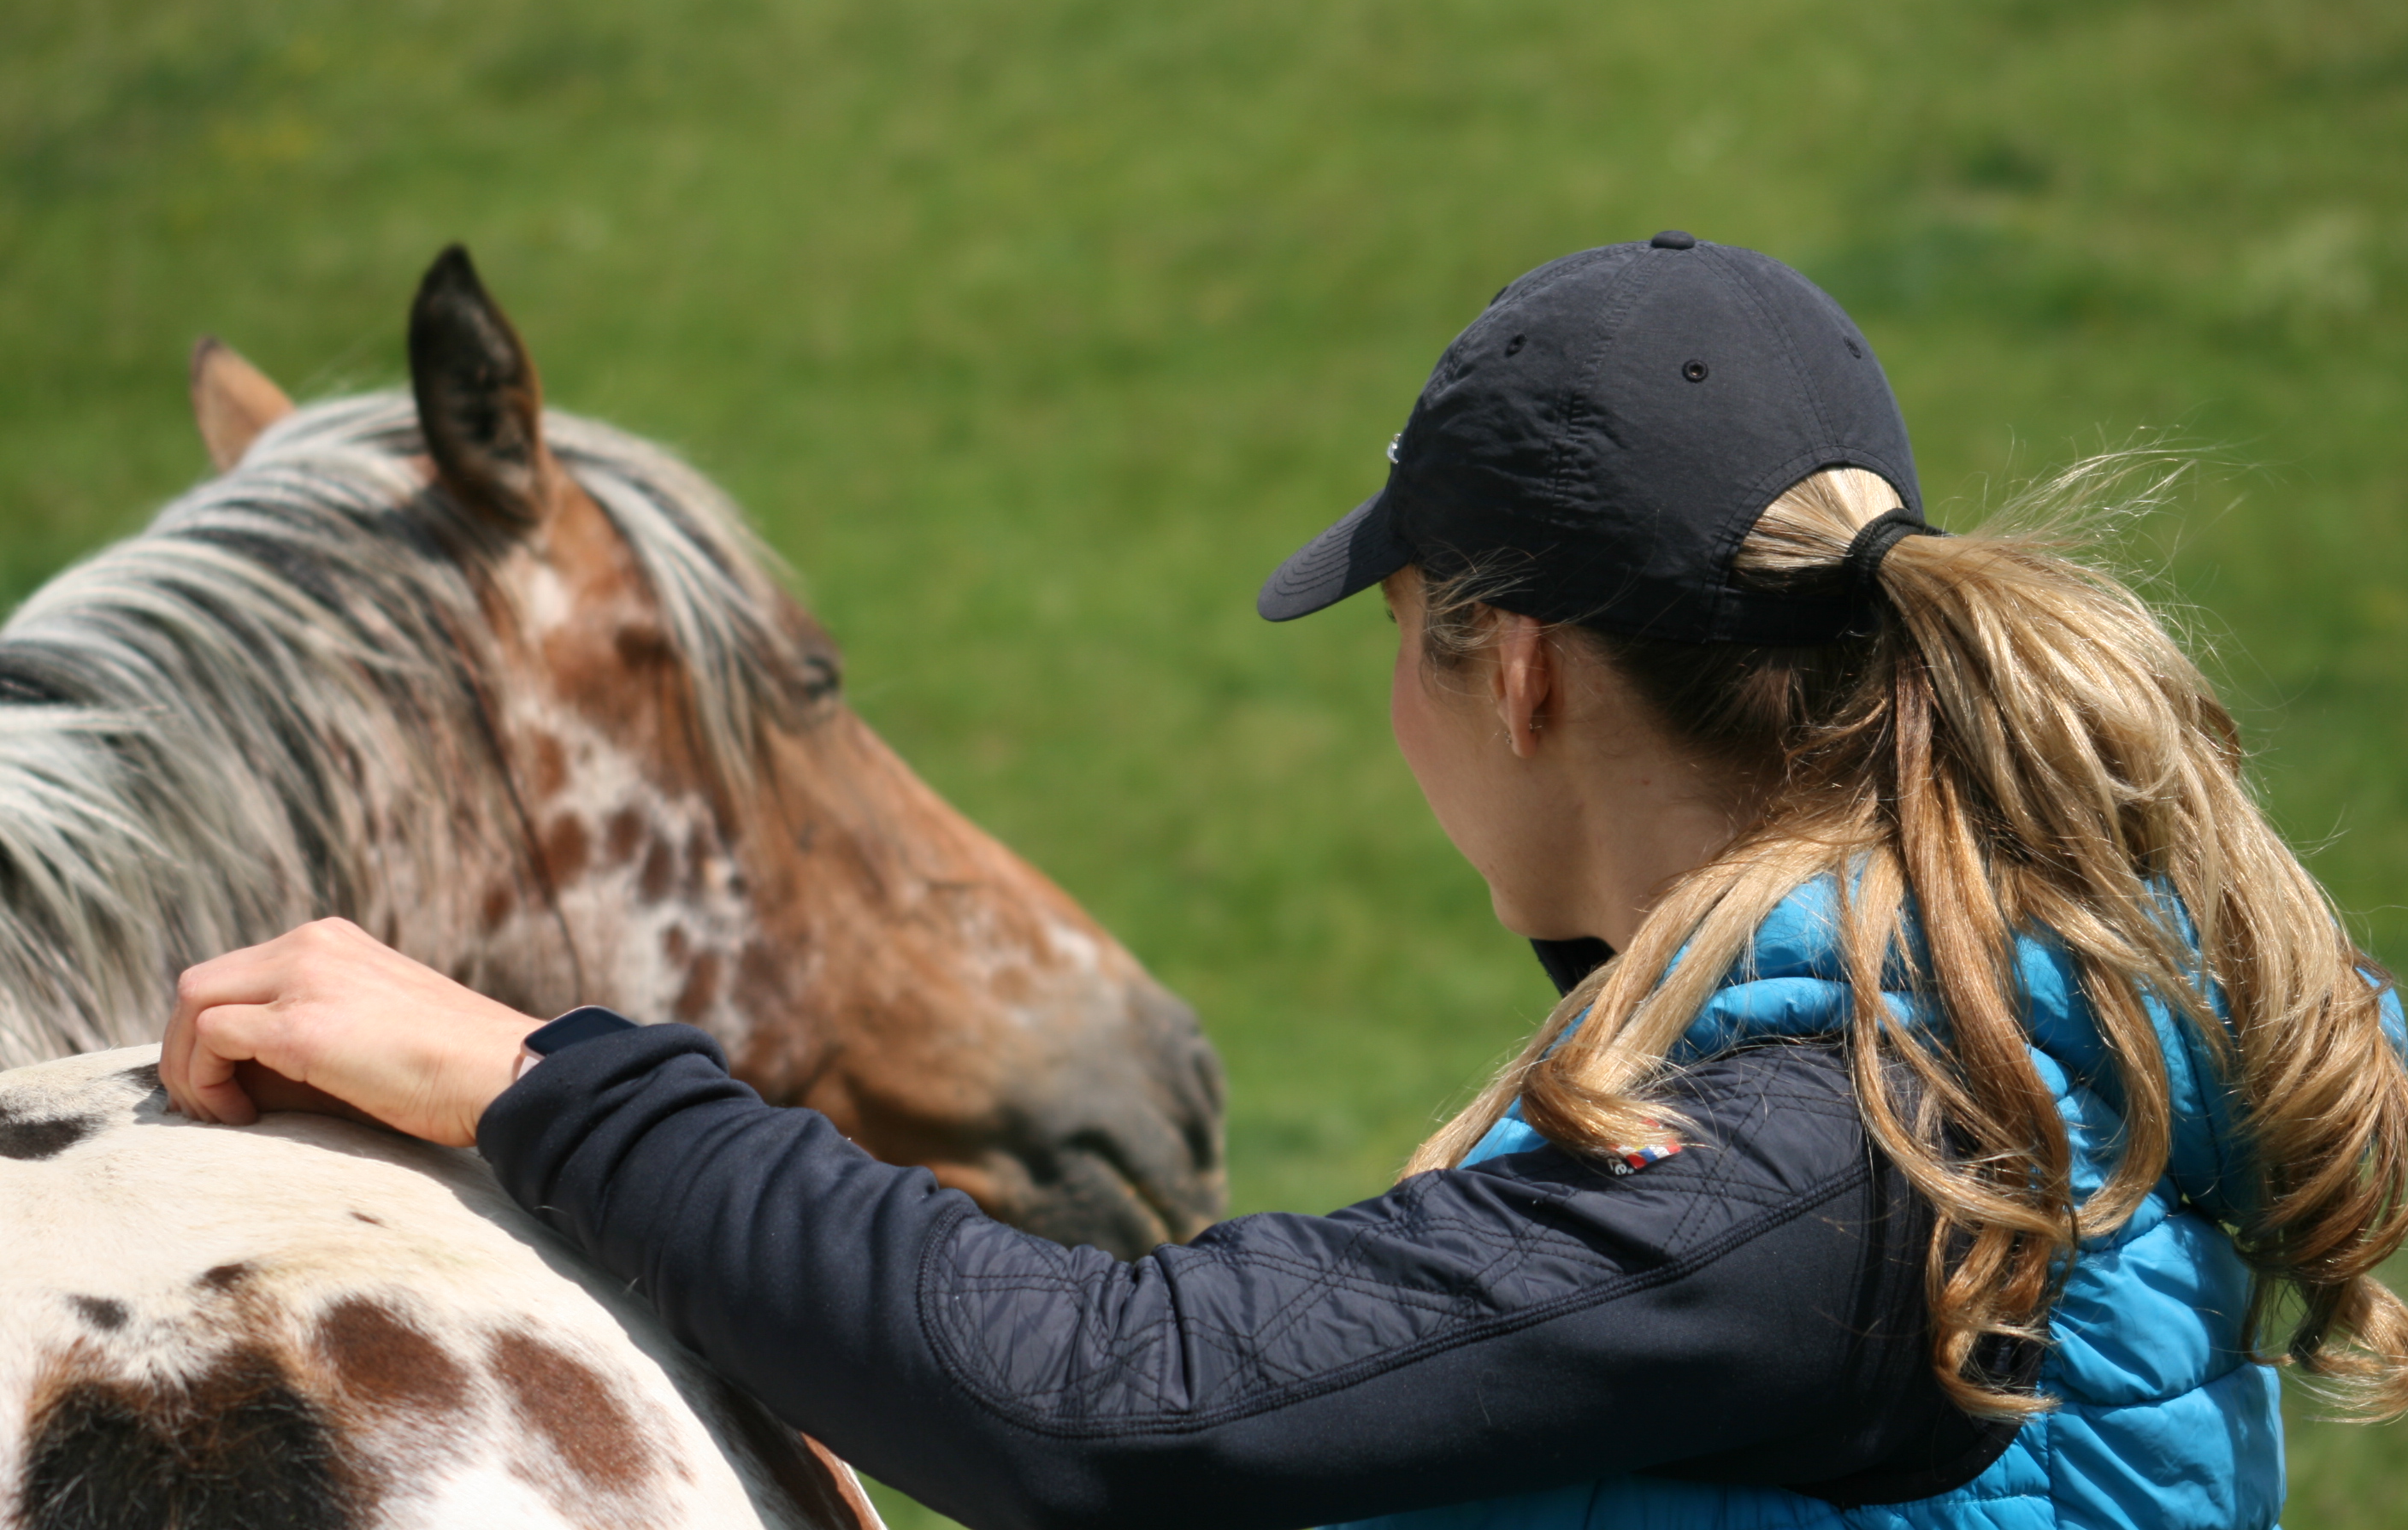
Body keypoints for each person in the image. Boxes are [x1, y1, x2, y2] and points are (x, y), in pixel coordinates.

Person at [163, 233, 2408, 1530]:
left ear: (1506, 669)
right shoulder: (2039, 1022)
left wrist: (541, 1078)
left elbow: (1112, 1396)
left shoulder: (1827, 1158)